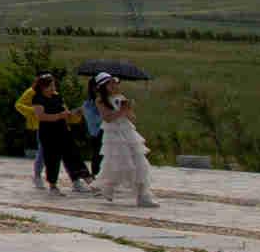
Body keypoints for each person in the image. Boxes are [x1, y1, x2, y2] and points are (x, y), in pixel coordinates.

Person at [88, 74, 158, 206]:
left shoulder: (121, 98)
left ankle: (143, 196)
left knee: (139, 162)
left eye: (115, 83)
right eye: (110, 83)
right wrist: (121, 111)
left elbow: (132, 118)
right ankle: (107, 186)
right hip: (114, 136)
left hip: (128, 133)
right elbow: (107, 118)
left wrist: (129, 109)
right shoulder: (100, 100)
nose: (114, 86)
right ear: (103, 87)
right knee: (116, 164)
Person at [18, 72, 94, 192]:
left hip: (63, 131)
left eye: (54, 85)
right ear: (43, 87)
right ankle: (52, 184)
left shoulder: (57, 97)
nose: (53, 88)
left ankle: (85, 181)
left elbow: (66, 113)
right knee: (51, 158)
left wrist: (75, 114)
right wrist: (58, 116)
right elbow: (41, 116)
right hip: (48, 133)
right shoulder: (38, 98)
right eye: (50, 86)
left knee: (73, 155)